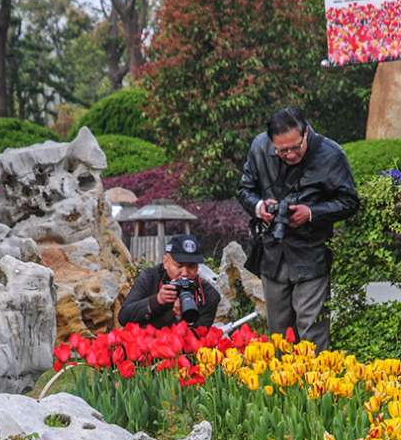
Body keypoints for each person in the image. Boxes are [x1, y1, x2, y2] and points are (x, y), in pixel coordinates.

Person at [237, 106, 359, 352]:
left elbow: (350, 201)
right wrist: (260, 206)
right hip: (273, 251)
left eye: (296, 147)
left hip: (311, 253)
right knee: (279, 334)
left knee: (311, 331)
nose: (290, 154)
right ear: (272, 143)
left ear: (306, 133)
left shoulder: (330, 154)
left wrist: (311, 213)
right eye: (282, 150)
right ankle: (287, 387)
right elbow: (244, 190)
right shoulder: (259, 147)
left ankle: (316, 385)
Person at [118, 233, 220, 329]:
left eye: (191, 266)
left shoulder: (208, 295)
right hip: (144, 343)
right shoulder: (150, 278)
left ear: (197, 267)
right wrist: (157, 301)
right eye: (179, 265)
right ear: (166, 262)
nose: (184, 273)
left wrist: (182, 317)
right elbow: (123, 317)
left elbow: (199, 337)